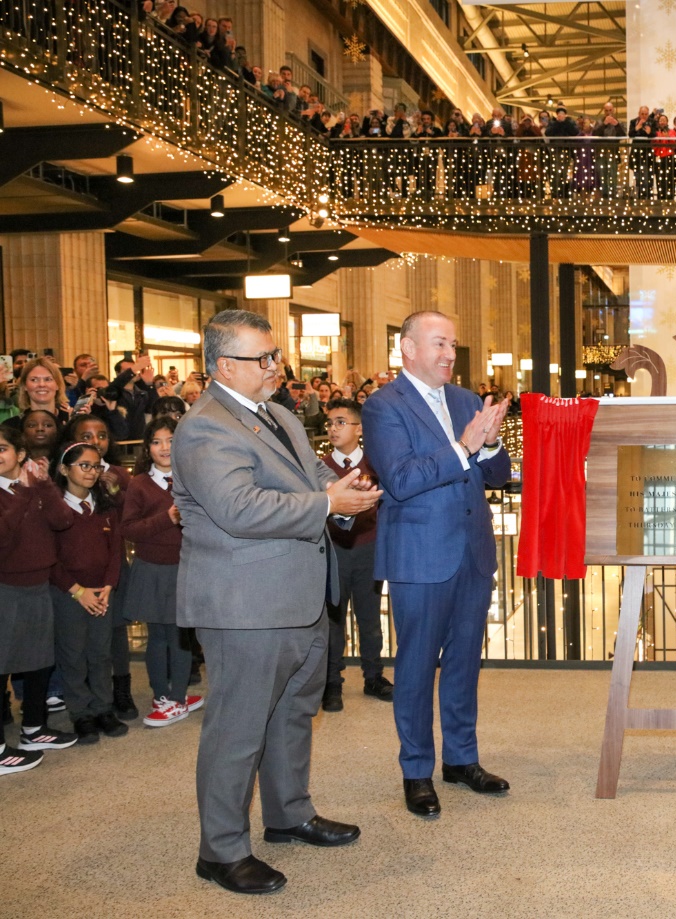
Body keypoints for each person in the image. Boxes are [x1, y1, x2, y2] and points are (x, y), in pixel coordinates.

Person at [173, 310, 379, 895]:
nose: (274, 366)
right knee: (237, 729)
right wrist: (327, 504)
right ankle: (221, 850)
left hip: (300, 595)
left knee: (292, 714)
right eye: (261, 358)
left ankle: (289, 814)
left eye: (274, 355)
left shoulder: (280, 414)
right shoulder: (205, 425)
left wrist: (347, 492)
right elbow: (240, 508)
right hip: (246, 604)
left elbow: (314, 476)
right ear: (222, 366)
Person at [362, 311, 511, 820]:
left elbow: (496, 474)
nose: (450, 354)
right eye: (439, 343)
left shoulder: (467, 400)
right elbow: (401, 480)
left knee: (465, 662)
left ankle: (461, 759)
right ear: (407, 347)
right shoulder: (384, 407)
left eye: (453, 344)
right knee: (416, 666)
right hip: (420, 556)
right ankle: (417, 771)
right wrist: (465, 444)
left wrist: (490, 442)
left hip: (471, 551)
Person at [0, 425, 77, 773]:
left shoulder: (36, 487)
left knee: (39, 661)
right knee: (1, 666)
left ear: (20, 454)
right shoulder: (15, 494)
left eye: (2, 448)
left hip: (39, 586)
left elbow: (62, 521)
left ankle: (33, 728)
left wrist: (43, 485)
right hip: (7, 589)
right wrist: (26, 495)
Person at [122, 417, 201, 727]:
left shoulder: (191, 478)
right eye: (156, 442)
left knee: (182, 636)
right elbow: (129, 529)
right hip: (152, 569)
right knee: (158, 637)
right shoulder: (139, 484)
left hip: (185, 567)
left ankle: (179, 697)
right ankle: (161, 695)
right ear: (147, 448)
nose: (164, 447)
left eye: (170, 440)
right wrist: (165, 519)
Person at [49, 441, 126, 745]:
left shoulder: (105, 508)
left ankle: (103, 708)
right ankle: (81, 713)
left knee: (100, 652)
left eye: (96, 466)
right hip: (69, 594)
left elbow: (115, 553)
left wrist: (108, 586)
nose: (92, 472)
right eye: (84, 465)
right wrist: (78, 591)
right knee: (73, 655)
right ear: (64, 469)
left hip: (101, 594)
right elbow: (51, 559)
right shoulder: (54, 510)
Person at [320, 398, 390, 712]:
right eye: (330, 423)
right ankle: (332, 681)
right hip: (333, 551)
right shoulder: (320, 466)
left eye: (340, 422)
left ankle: (373, 675)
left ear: (358, 428)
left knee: (370, 617)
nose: (333, 429)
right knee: (333, 619)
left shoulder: (376, 463)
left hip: (368, 549)